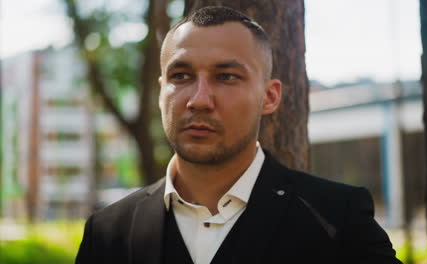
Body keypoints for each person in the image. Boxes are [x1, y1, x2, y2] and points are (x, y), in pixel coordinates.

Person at [75, 6, 403, 264]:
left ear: (270, 97)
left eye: (227, 76)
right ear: (161, 92)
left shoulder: (338, 218)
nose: (199, 99)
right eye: (182, 75)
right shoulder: (107, 232)